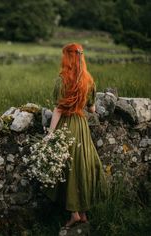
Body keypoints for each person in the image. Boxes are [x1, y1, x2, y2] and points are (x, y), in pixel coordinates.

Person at [42, 43, 108, 228]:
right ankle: (84, 213)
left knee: (69, 168)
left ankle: (74, 214)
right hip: (82, 126)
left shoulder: (62, 79)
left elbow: (58, 109)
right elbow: (92, 109)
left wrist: (50, 133)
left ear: (68, 57)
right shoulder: (89, 80)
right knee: (84, 165)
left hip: (67, 126)